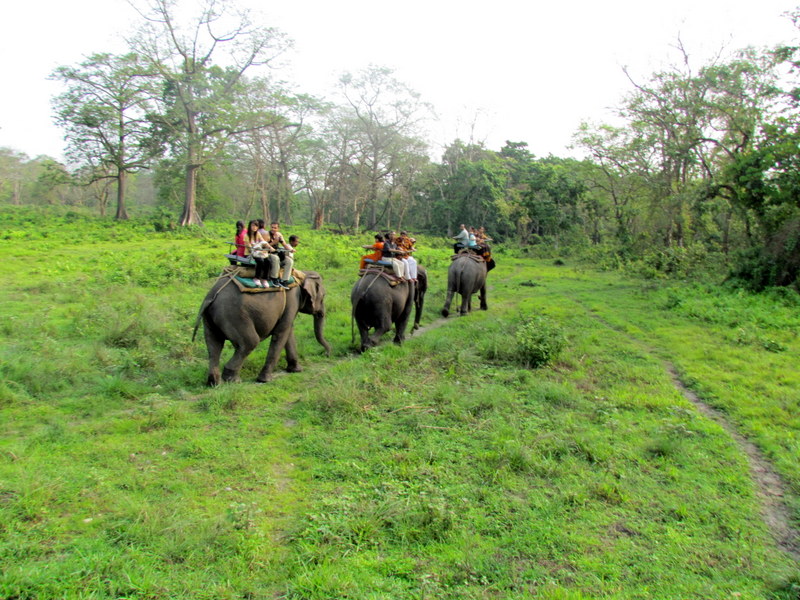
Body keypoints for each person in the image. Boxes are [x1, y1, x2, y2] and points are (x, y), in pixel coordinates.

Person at [245, 219, 276, 288]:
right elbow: (249, 248)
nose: (254, 227)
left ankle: (264, 279)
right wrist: (258, 250)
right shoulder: (246, 236)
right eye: (253, 225)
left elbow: (263, 242)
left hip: (258, 252)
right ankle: (257, 278)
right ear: (250, 226)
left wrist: (270, 247)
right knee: (260, 261)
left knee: (268, 261)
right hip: (250, 253)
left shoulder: (258, 234)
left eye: (256, 226)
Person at [265, 222, 295, 286]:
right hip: (268, 253)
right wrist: (274, 242)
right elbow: (264, 246)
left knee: (289, 261)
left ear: (278, 228)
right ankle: (274, 278)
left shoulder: (279, 235)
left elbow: (284, 245)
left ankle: (284, 280)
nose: (273, 229)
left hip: (277, 253)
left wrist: (290, 249)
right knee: (276, 258)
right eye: (272, 227)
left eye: (275, 228)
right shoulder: (267, 234)